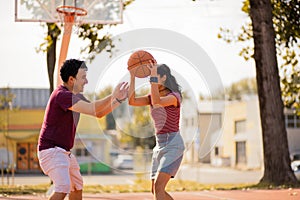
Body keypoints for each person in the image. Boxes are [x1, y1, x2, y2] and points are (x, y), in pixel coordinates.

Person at [37, 59, 128, 200]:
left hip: (63, 152)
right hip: (51, 151)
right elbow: (93, 108)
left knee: (76, 187)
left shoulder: (75, 96)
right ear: (72, 79)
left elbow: (97, 113)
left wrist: (118, 100)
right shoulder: (62, 95)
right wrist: (113, 95)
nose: (86, 81)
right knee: (63, 188)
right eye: (83, 77)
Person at [128, 62, 185, 200]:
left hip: (173, 144)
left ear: (164, 77)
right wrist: (132, 77)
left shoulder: (174, 96)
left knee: (159, 187)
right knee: (155, 190)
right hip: (159, 145)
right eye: (150, 78)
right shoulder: (152, 96)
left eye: (154, 77)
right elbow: (132, 101)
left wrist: (152, 77)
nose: (151, 81)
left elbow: (157, 102)